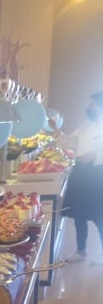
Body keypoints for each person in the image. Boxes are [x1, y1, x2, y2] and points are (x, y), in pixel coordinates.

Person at [51, 92, 103, 263]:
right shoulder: (85, 126)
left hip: (97, 175)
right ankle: (81, 251)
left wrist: (95, 156)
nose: (88, 108)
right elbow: (69, 143)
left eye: (92, 105)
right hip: (80, 173)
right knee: (79, 215)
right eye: (88, 104)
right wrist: (56, 131)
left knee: (99, 216)